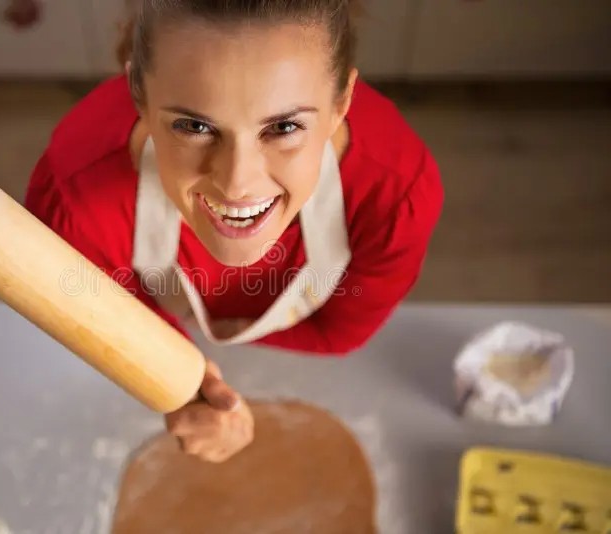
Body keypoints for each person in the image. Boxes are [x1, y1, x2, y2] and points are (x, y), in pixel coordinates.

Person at [25, 0, 444, 463]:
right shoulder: (72, 203)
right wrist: (179, 384)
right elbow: (101, 325)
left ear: (341, 104)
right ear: (138, 95)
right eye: (194, 125)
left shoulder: (395, 196)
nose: (236, 183)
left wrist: (189, 362)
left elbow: (338, 334)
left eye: (284, 126)